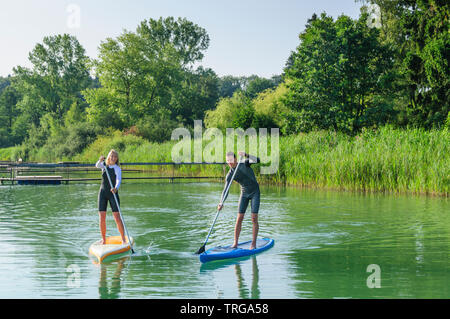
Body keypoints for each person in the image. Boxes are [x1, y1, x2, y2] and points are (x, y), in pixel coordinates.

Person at [218, 151, 261, 249]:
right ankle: (235, 243)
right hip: (244, 193)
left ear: (236, 159)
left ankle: (253, 243)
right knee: (239, 218)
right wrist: (221, 202)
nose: (229, 163)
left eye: (231, 160)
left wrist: (246, 154)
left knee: (254, 218)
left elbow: (258, 160)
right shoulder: (229, 174)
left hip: (255, 192)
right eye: (227, 161)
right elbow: (226, 189)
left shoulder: (245, 163)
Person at [95, 149, 126, 244]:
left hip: (113, 193)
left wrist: (116, 188)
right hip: (103, 193)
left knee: (117, 217)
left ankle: (123, 239)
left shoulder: (117, 168)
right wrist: (100, 160)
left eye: (115, 157)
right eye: (111, 156)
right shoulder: (104, 166)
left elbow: (118, 180)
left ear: (117, 159)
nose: (113, 158)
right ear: (109, 157)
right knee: (102, 217)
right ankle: (104, 240)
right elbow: (97, 165)